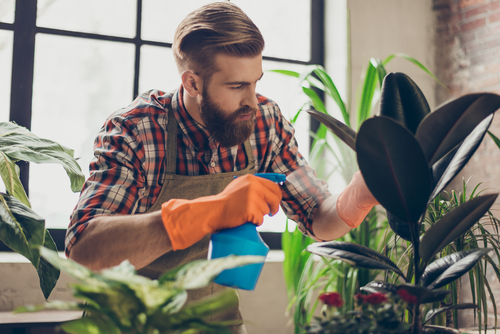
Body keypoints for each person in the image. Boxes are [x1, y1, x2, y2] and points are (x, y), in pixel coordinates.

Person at [65, 2, 378, 333]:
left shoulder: (264, 123)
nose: (252, 100)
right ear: (192, 84)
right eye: (236, 86)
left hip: (218, 325)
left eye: (255, 82)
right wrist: (212, 211)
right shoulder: (135, 130)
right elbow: (85, 250)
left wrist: (361, 193)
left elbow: (318, 215)